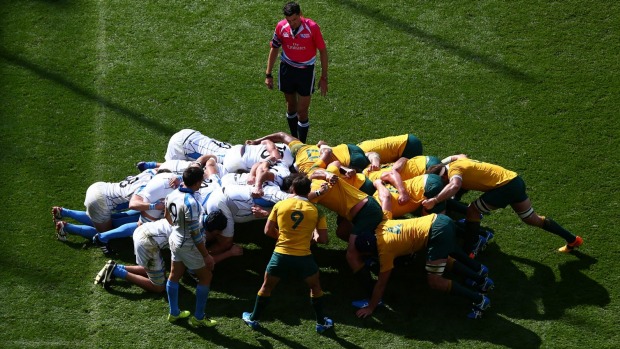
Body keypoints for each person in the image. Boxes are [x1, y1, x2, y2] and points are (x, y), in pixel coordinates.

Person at [354, 180, 492, 319]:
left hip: (436, 233)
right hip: (440, 220)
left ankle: (479, 300)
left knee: (435, 281)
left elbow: (381, 284)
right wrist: (379, 184)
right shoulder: (382, 223)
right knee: (442, 256)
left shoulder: (384, 251)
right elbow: (386, 198)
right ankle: (482, 278)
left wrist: (371, 307)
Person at [422, 158, 583, 254]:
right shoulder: (458, 163)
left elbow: (455, 185)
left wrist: (435, 200)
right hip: (515, 181)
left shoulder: (454, 170)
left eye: (442, 182)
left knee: (473, 210)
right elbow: (461, 161)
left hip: (504, 187)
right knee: (532, 219)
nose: (444, 184)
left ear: (443, 176)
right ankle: (573, 239)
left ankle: (469, 250)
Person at [241, 174, 333, 333]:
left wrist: (282, 238)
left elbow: (267, 230)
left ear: (293, 189)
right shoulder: (317, 211)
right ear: (309, 190)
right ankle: (321, 323)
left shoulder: (280, 205)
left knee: (267, 287)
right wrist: (310, 239)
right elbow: (323, 239)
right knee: (315, 287)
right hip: (304, 257)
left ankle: (253, 318)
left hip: (281, 255)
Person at [265, 2, 328, 143]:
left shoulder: (312, 27)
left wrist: (324, 77)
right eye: (289, 20)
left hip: (305, 72)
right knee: (291, 106)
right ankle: (294, 140)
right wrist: (268, 74)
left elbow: (323, 51)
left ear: (300, 15)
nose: (292, 23)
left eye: (294, 19)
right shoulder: (281, 27)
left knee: (302, 111)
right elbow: (274, 48)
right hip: (287, 69)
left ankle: (302, 145)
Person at [164, 165, 217, 328]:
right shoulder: (191, 202)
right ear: (197, 182)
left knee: (174, 275)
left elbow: (167, 215)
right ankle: (199, 318)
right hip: (188, 244)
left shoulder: (172, 194)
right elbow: (195, 234)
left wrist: (179, 227)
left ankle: (174, 313)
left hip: (175, 239)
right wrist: (206, 255)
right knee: (206, 277)